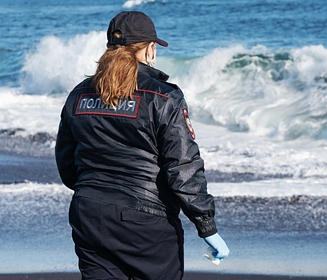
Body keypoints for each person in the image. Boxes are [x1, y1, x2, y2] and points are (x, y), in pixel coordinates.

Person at [55, 11, 229, 280]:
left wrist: (94, 192)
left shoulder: (79, 94)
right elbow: (183, 167)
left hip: (88, 212)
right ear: (149, 49)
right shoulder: (163, 96)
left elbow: (66, 162)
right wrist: (207, 225)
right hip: (147, 222)